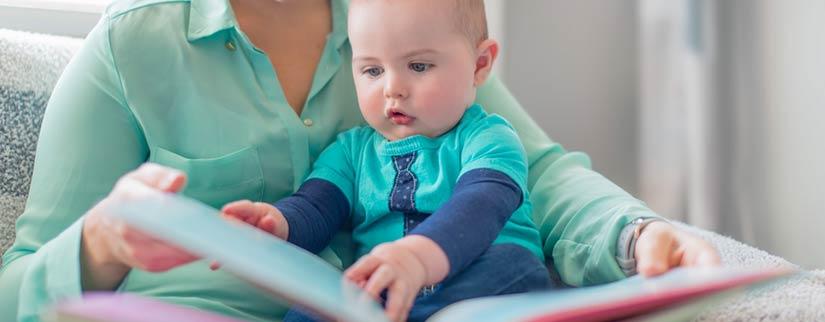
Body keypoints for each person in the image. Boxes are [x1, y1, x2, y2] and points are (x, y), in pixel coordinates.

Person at [0, 0, 719, 321]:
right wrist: (100, 241)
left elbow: (538, 175)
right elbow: (17, 290)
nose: (392, 87)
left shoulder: (408, 22)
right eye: (373, 73)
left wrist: (634, 235)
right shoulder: (132, 44)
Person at [219, 0, 552, 320]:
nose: (393, 88)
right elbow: (315, 207)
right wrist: (276, 224)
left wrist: (416, 259)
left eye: (419, 66)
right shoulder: (350, 151)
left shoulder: (488, 138)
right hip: (389, 291)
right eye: (373, 70)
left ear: (480, 64)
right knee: (314, 306)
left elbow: (480, 206)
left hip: (483, 276)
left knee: (513, 266)